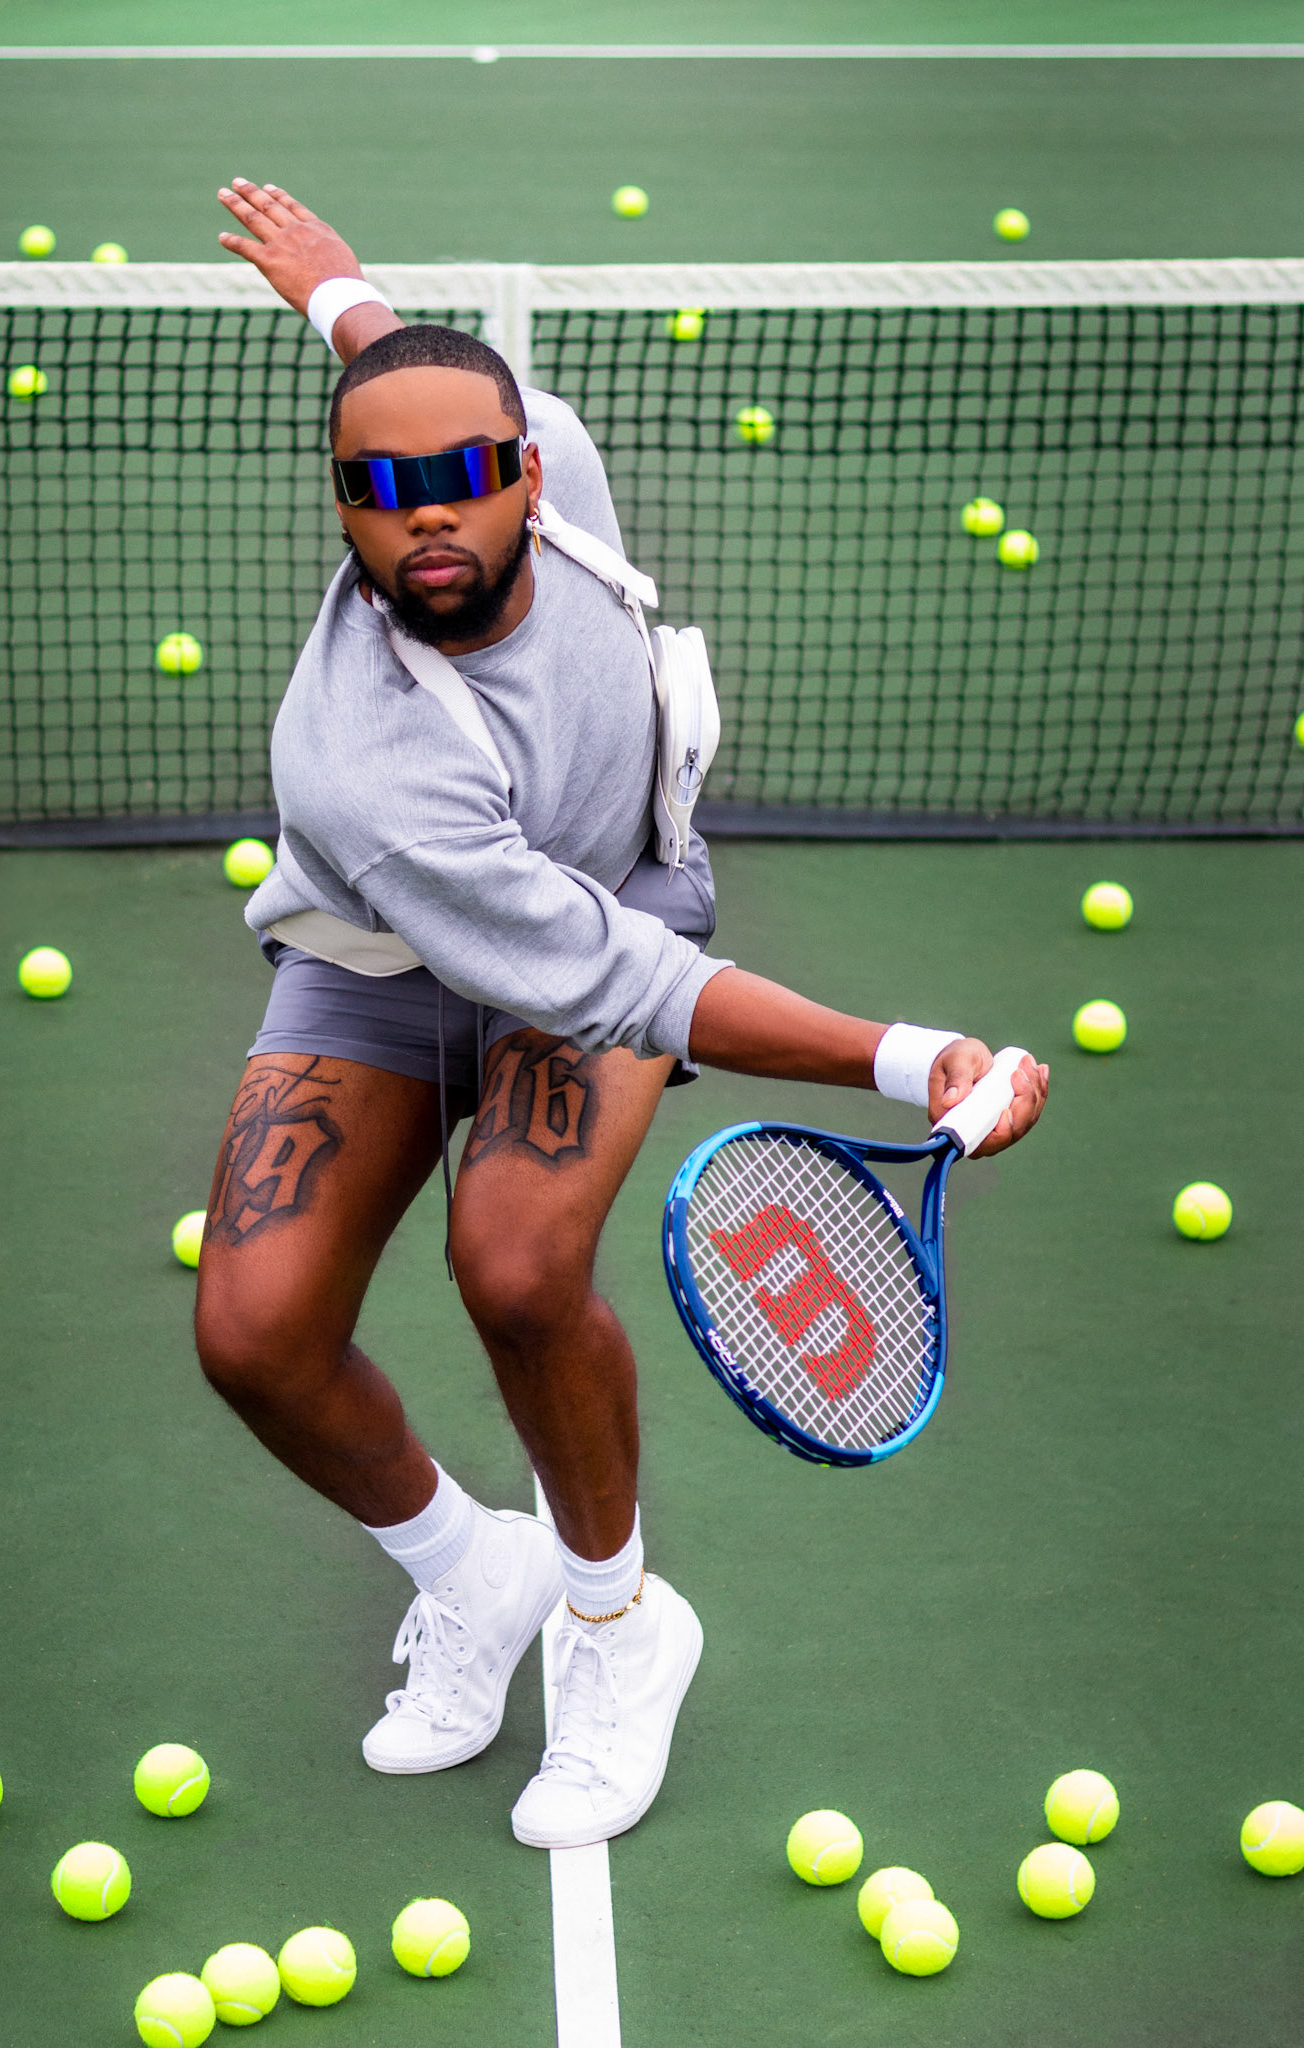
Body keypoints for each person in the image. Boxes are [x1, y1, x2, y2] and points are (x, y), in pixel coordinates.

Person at [194, 179, 1049, 1852]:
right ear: (341, 509)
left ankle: (612, 1622)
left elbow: (393, 360)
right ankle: (469, 1569)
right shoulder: (362, 763)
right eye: (377, 492)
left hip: (613, 900)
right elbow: (639, 998)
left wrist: (334, 285)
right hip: (383, 961)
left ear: (528, 469)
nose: (424, 516)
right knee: (254, 1334)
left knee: (516, 1266)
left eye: (460, 475)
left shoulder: (561, 472)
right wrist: (904, 1059)